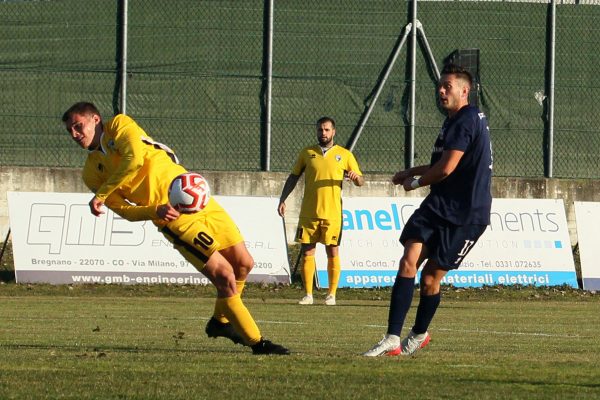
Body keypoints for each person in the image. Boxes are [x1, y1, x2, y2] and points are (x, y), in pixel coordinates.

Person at [62, 102, 289, 355]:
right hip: (173, 218)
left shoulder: (118, 124)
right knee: (225, 276)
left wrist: (102, 195)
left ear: (95, 119)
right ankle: (258, 344)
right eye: (70, 130)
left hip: (195, 196)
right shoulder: (91, 172)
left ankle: (220, 323)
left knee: (244, 264)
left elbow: (134, 159)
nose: (74, 134)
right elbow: (124, 211)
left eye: (78, 126)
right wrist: (154, 211)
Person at [363, 64, 492, 356]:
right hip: (439, 204)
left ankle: (419, 333)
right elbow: (442, 164)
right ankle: (392, 338)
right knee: (409, 259)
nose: (441, 91)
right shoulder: (453, 120)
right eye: (440, 86)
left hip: (467, 213)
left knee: (432, 277)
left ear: (464, 90)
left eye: (447, 86)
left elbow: (445, 169)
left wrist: (416, 182)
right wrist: (410, 171)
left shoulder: (466, 120)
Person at [278, 116, 364, 306]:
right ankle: (308, 294)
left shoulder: (345, 155)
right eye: (320, 130)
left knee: (332, 252)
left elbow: (360, 181)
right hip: (309, 212)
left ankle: (331, 294)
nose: (323, 133)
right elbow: (293, 177)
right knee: (308, 251)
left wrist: (355, 177)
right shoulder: (307, 153)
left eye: (326, 130)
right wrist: (283, 199)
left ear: (333, 132)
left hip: (332, 214)